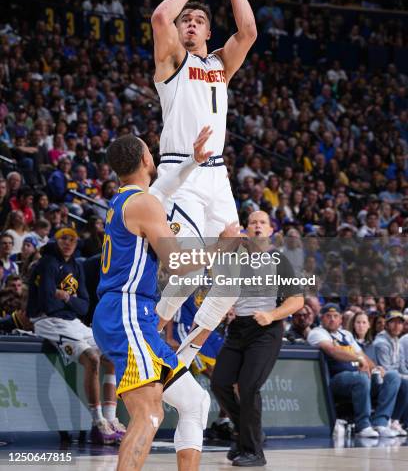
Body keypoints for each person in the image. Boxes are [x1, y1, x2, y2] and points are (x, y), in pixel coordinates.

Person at [92, 129, 239, 471]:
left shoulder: (129, 199)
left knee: (194, 402)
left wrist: (192, 161)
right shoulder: (143, 203)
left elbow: (165, 187)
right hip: (127, 310)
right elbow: (175, 263)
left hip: (130, 313)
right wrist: (219, 247)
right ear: (146, 159)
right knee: (149, 411)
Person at [151, 0, 257, 368]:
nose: (191, 24)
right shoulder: (170, 62)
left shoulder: (218, 66)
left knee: (241, 260)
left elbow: (248, 31)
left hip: (216, 174)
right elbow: (161, 16)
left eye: (199, 21)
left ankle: (186, 351)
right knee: (188, 267)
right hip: (181, 171)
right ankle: (151, 331)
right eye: (187, 21)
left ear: (209, 33)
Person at [211, 210, 304, 467]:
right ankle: (245, 434)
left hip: (266, 330)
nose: (258, 226)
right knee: (219, 383)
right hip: (237, 328)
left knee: (249, 386)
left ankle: (254, 452)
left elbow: (297, 300)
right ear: (246, 229)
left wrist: (272, 314)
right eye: (253, 222)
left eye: (263, 222)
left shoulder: (278, 259)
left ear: (271, 230)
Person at [27, 227, 125, 445]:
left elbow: (83, 305)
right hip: (47, 321)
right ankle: (98, 423)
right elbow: (48, 302)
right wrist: (68, 300)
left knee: (111, 354)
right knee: (92, 357)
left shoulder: (76, 266)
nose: (68, 243)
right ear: (57, 240)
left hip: (73, 321)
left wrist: (66, 297)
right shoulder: (48, 263)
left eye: (72, 239)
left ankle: (110, 419)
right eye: (64, 239)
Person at [308, 303, 401, 438]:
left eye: (335, 316)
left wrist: (375, 368)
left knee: (392, 376)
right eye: (328, 316)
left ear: (341, 319)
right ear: (321, 318)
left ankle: (380, 422)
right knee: (360, 377)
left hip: (359, 378)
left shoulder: (346, 334)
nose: (332, 319)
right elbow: (332, 350)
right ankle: (363, 425)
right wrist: (359, 360)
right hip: (335, 380)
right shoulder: (317, 332)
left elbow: (362, 355)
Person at [373, 310, 408, 435]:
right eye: (393, 323)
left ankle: (395, 421)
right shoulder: (381, 342)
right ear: (386, 325)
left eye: (400, 323)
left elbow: (402, 367)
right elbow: (386, 370)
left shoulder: (397, 341)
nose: (397, 326)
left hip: (393, 379)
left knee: (404, 381)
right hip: (378, 380)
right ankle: (380, 422)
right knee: (397, 378)